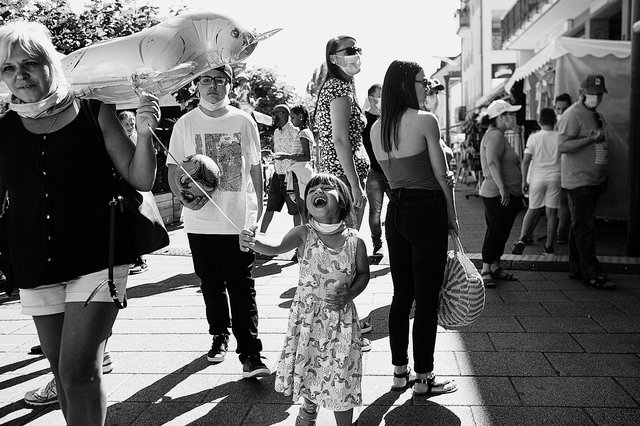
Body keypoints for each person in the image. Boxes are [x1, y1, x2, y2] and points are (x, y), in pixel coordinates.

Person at [0, 21, 160, 425]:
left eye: (30, 63)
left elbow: (140, 179)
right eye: (8, 68)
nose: (21, 75)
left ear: (50, 64)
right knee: (62, 375)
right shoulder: (3, 130)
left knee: (78, 371)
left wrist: (144, 134)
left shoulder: (93, 112)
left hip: (97, 259)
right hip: (35, 260)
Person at [239, 173, 369, 426]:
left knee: (342, 374)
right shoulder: (303, 234)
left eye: (325, 187)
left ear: (342, 200)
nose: (317, 190)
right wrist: (253, 241)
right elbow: (274, 247)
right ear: (306, 203)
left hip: (341, 322)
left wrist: (350, 292)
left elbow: (363, 274)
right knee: (310, 367)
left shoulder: (355, 241)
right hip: (308, 319)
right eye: (312, 189)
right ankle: (309, 410)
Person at [166, 64, 270, 376]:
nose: (214, 86)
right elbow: (173, 172)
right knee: (210, 285)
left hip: (237, 222)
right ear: (197, 85)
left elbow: (255, 168)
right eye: (207, 80)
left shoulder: (243, 120)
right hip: (200, 224)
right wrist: (186, 197)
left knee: (242, 288)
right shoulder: (185, 124)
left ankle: (251, 354)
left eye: (220, 80)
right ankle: (219, 335)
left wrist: (258, 213)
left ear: (230, 85)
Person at [370, 60, 459, 396]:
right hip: (426, 210)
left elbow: (388, 176)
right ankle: (424, 378)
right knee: (425, 299)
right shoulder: (425, 121)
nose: (427, 88)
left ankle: (399, 373)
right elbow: (440, 175)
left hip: (397, 212)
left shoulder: (377, 129)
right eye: (424, 82)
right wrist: (452, 215)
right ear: (409, 84)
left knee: (400, 295)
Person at [557, 74, 614, 290]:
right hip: (579, 181)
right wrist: (589, 139)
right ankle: (592, 272)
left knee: (579, 225)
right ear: (582, 93)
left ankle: (577, 267)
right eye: (592, 94)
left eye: (599, 94)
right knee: (585, 227)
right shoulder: (573, 115)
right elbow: (562, 146)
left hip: (592, 180)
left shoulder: (595, 114)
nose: (596, 98)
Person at [314, 35, 369, 230]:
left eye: (357, 50)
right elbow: (340, 140)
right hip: (344, 179)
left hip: (341, 177)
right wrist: (355, 186)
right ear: (333, 59)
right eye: (350, 51)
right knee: (348, 242)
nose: (356, 54)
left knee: (344, 240)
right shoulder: (337, 87)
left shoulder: (342, 87)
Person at [478, 100, 523, 288]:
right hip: (497, 194)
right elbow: (493, 163)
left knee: (501, 231)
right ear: (500, 117)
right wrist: (503, 188)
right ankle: (486, 268)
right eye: (510, 115)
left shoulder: (499, 135)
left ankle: (495, 266)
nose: (514, 118)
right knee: (496, 231)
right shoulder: (495, 135)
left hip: (505, 193)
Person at [512, 108, 560, 255]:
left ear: (539, 122)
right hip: (555, 177)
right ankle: (549, 247)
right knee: (551, 213)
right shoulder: (560, 137)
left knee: (532, 209)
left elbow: (526, 161)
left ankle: (522, 238)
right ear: (555, 121)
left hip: (537, 178)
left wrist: (524, 181)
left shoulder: (534, 137)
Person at [260, 104, 302, 236]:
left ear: (287, 115)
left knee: (296, 212)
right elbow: (279, 152)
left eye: (278, 113)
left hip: (291, 177)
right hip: (277, 176)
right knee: (270, 209)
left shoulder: (295, 131)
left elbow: (301, 154)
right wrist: (269, 153)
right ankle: (261, 238)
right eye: (273, 113)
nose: (274, 116)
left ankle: (298, 245)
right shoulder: (276, 132)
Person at [118, 110, 148, 274]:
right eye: (127, 124)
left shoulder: (136, 139)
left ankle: (140, 259)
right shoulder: (119, 139)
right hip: (124, 185)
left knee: (136, 220)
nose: (130, 127)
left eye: (132, 124)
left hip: (134, 185)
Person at [361, 83, 389, 258]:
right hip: (374, 171)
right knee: (375, 212)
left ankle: (396, 240)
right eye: (380, 95)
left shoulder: (388, 119)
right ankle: (377, 245)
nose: (382, 98)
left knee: (399, 207)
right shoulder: (363, 120)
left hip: (392, 170)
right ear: (372, 97)